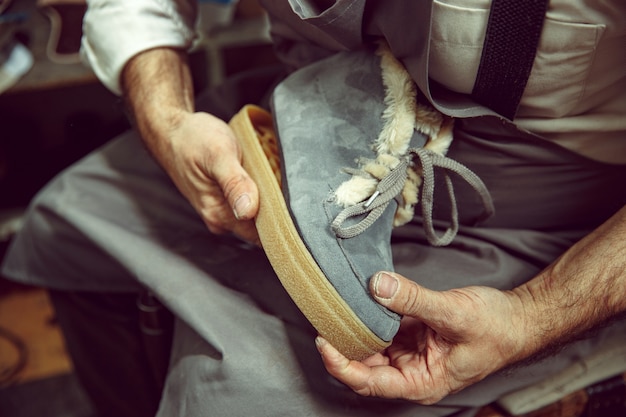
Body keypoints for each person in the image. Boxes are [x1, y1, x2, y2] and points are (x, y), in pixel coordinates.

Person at [2, 0, 625, 416]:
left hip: (533, 206)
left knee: (238, 395)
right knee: (73, 216)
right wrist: (166, 121)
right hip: (312, 105)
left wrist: (536, 315)